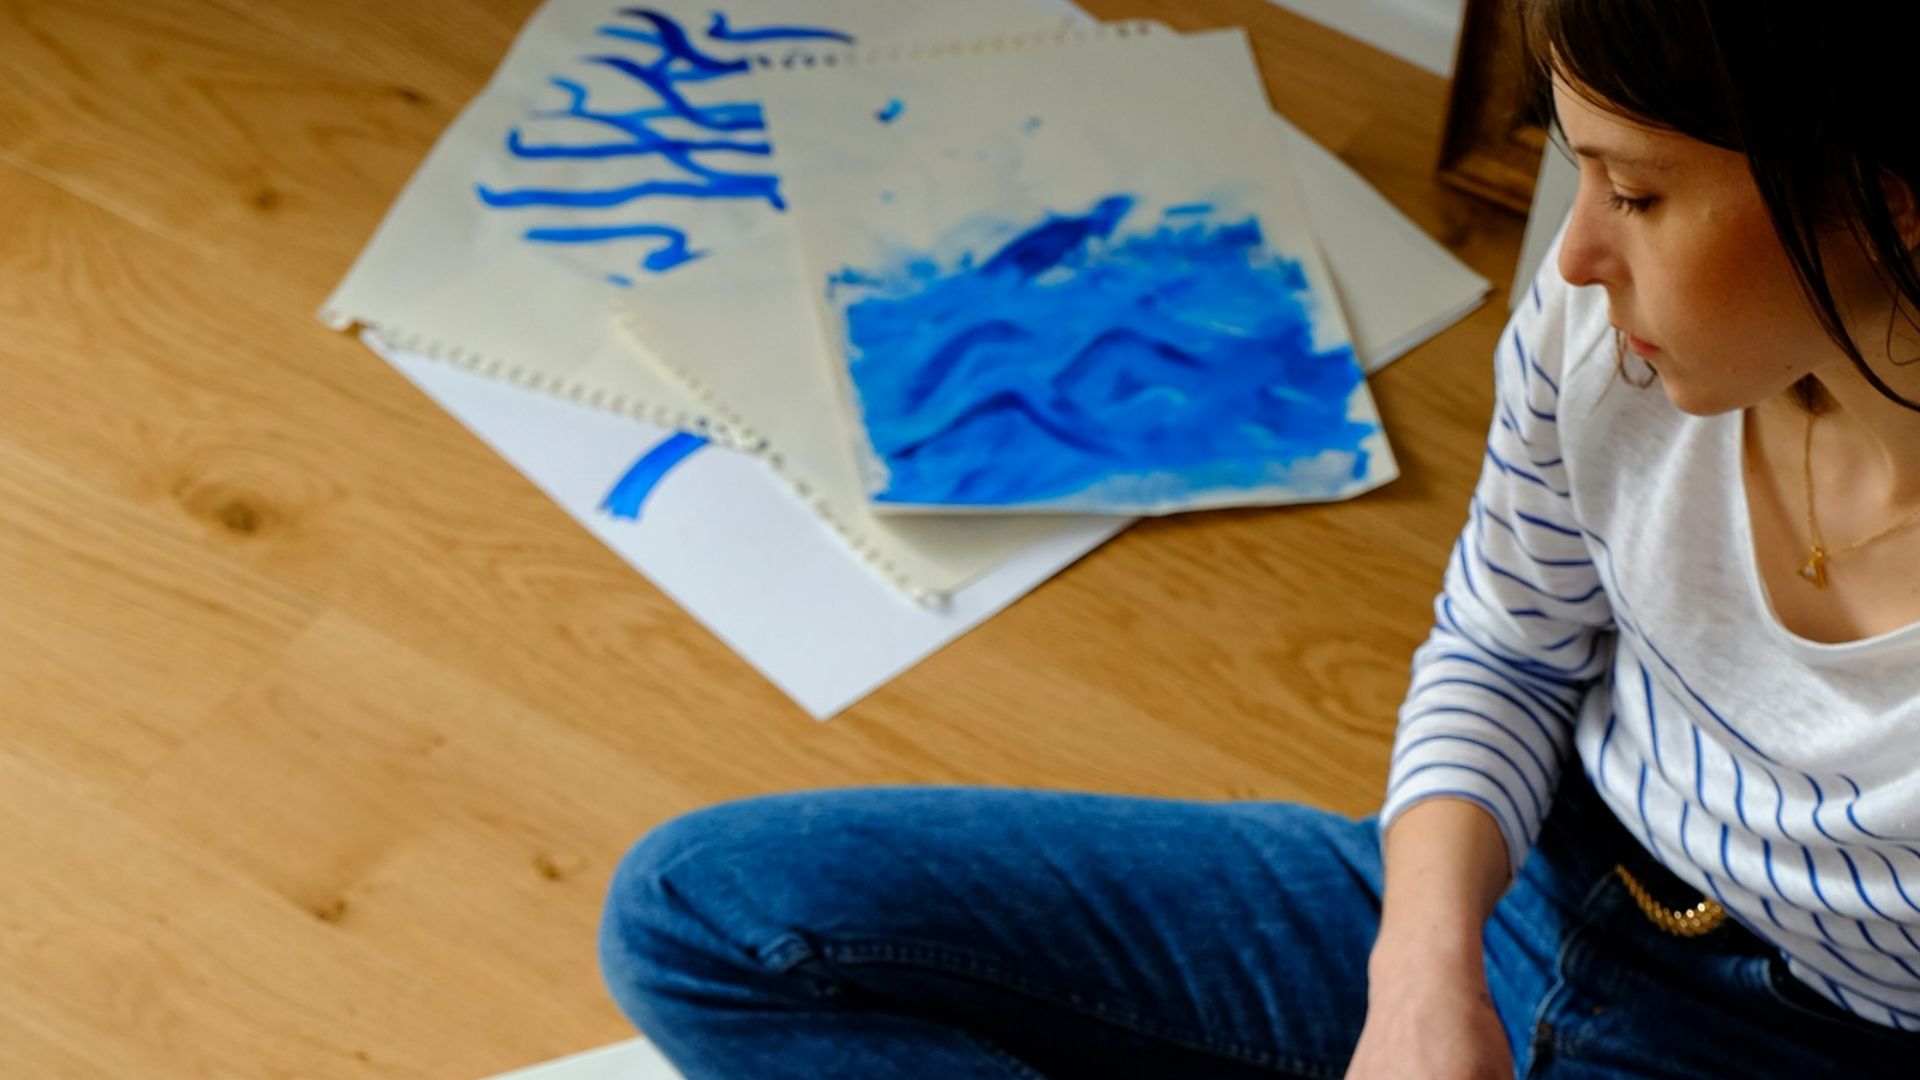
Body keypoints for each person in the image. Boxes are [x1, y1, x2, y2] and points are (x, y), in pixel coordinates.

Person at [595, 2, 1920, 1075]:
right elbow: (1507, 651)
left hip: (1798, 1040)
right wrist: (1417, 976)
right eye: (1577, 168)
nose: (1571, 256)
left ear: (1890, 196)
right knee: (708, 916)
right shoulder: (1611, 341)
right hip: (1525, 890)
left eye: (1635, 194)